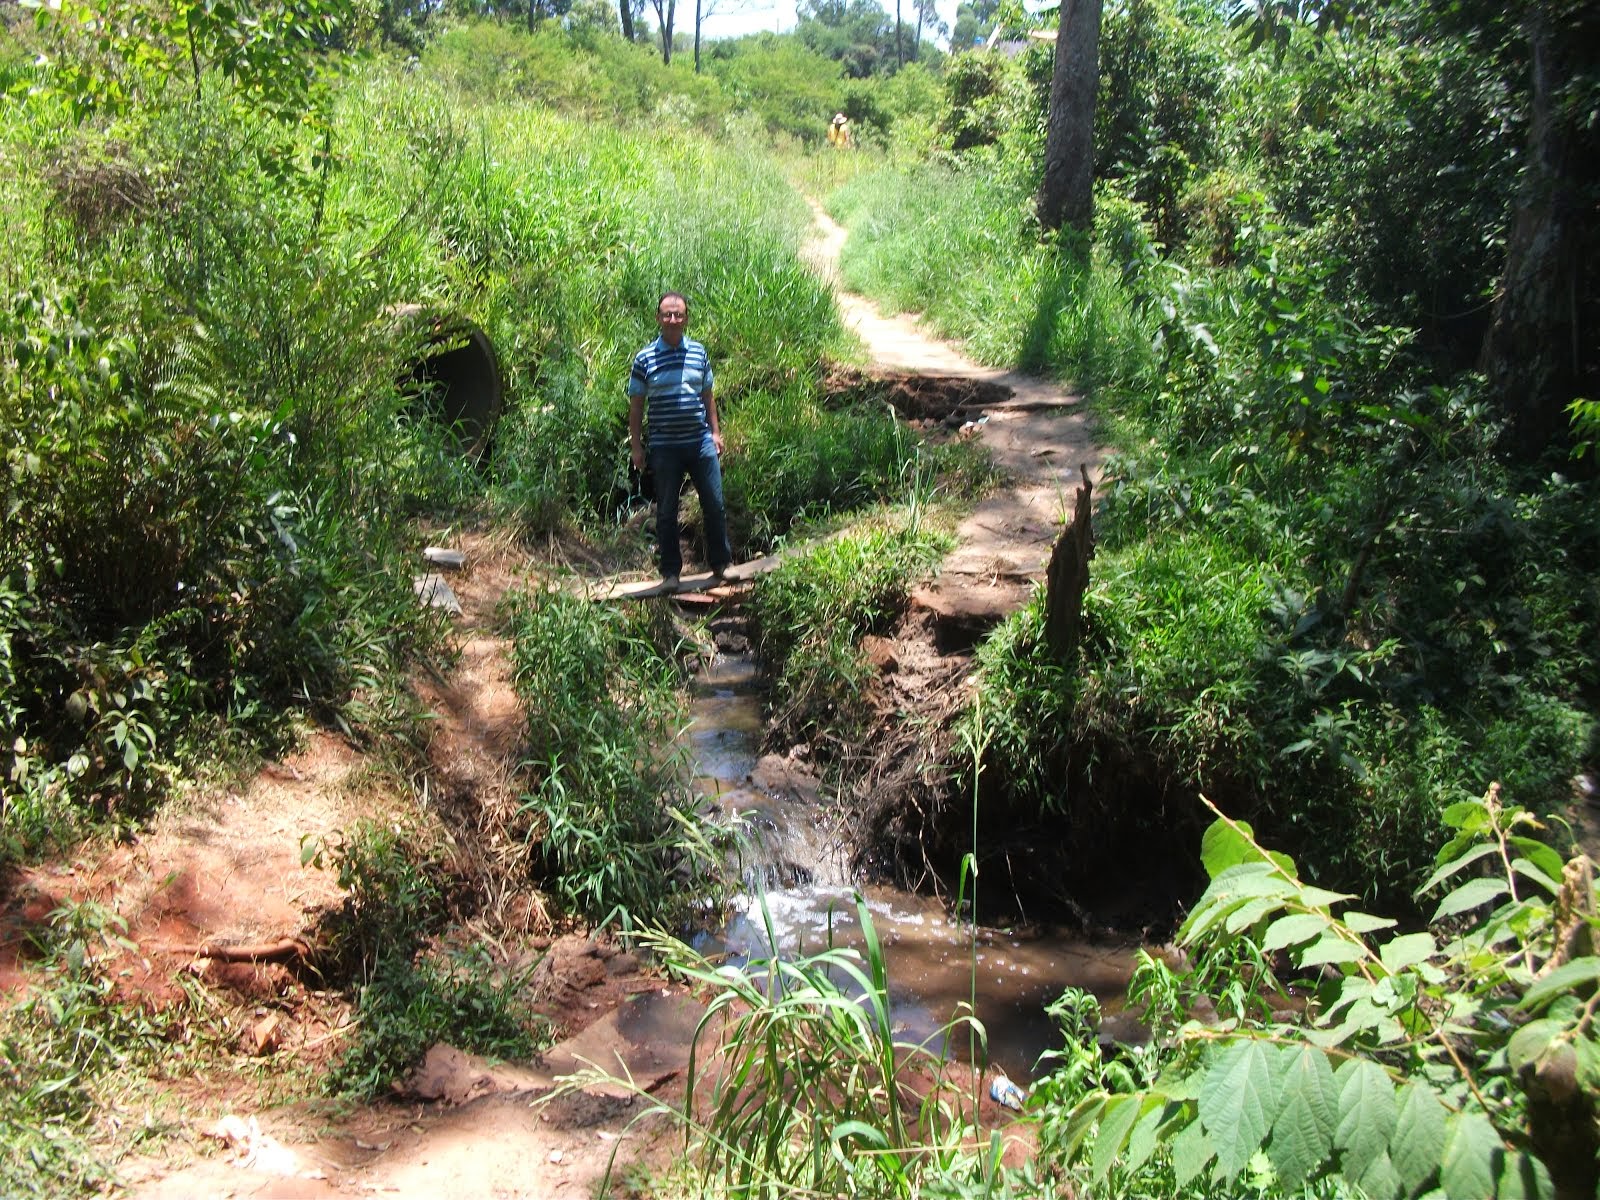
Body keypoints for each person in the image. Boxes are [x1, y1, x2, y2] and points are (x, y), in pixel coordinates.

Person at [628, 291, 731, 592]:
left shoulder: (699, 353)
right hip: (664, 447)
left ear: (686, 318)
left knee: (714, 503)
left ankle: (721, 565)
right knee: (667, 511)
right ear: (658, 318)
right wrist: (636, 446)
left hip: (700, 442)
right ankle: (671, 574)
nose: (673, 319)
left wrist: (715, 432)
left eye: (678, 314)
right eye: (667, 314)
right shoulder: (644, 358)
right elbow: (636, 406)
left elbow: (707, 396)